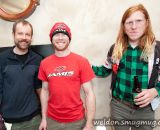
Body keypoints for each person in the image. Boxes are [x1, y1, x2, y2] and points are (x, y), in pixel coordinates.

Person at [92, 4, 160, 130]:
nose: (133, 27)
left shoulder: (157, 49)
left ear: (147, 22)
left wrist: (156, 91)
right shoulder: (115, 48)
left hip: (145, 110)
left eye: (138, 21)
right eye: (129, 22)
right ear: (123, 26)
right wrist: (84, 66)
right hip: (119, 107)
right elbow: (105, 70)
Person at [38, 22, 96, 130]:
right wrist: (44, 118)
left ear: (69, 38)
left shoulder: (81, 61)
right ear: (51, 39)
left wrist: (89, 123)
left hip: (76, 121)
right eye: (56, 34)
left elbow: (89, 93)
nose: (60, 38)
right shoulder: (44, 63)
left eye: (64, 34)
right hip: (52, 121)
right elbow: (44, 91)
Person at [0, 20, 42, 130]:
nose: (24, 37)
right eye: (20, 33)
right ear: (13, 35)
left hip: (34, 119)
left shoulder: (37, 59)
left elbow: (40, 89)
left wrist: (45, 115)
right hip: (8, 120)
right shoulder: (2, 59)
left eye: (27, 34)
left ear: (31, 37)